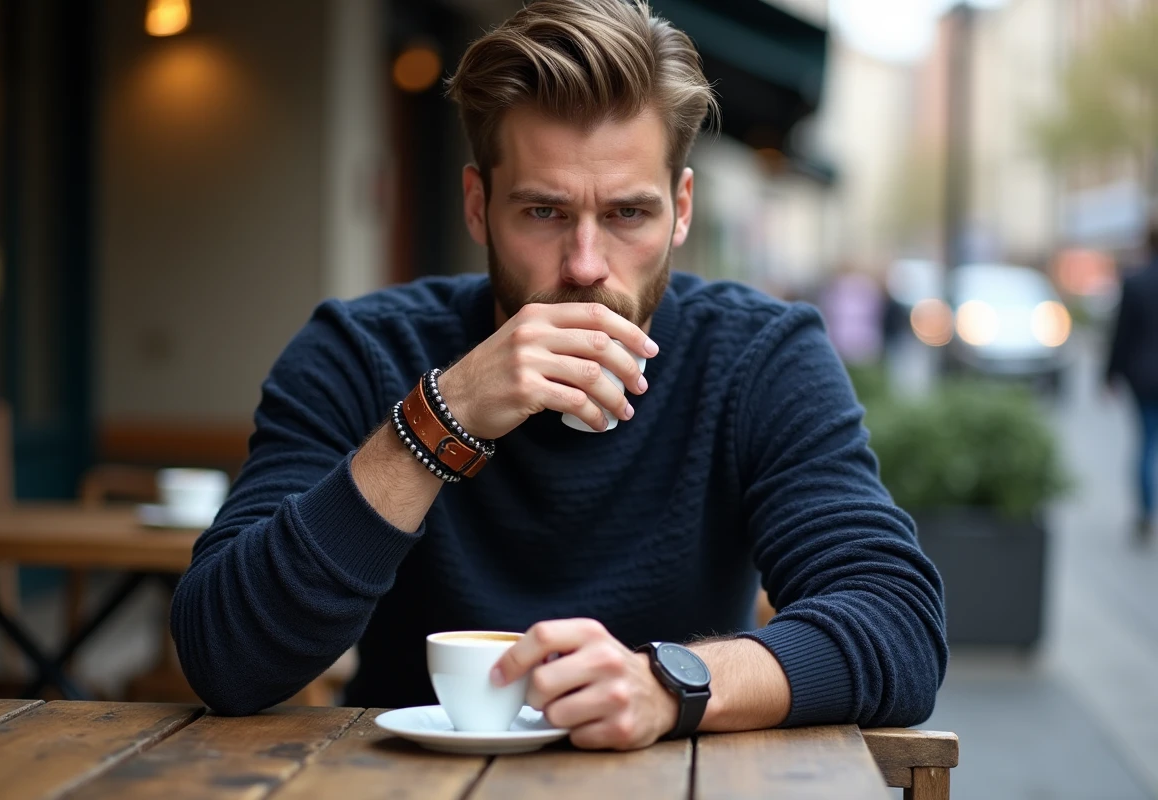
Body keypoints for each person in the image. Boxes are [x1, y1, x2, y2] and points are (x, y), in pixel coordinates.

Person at [171, 0, 946, 750]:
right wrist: (444, 415)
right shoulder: (358, 348)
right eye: (543, 213)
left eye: (627, 215)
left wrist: (669, 685)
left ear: (680, 208)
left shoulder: (758, 356)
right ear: (478, 207)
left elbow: (899, 626)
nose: (584, 267)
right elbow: (225, 659)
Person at [1106, 224, 1158, 544]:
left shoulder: (1136, 282)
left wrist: (1109, 374)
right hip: (1144, 376)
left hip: (1144, 376)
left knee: (1146, 445)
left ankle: (1145, 515)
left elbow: (1121, 335)